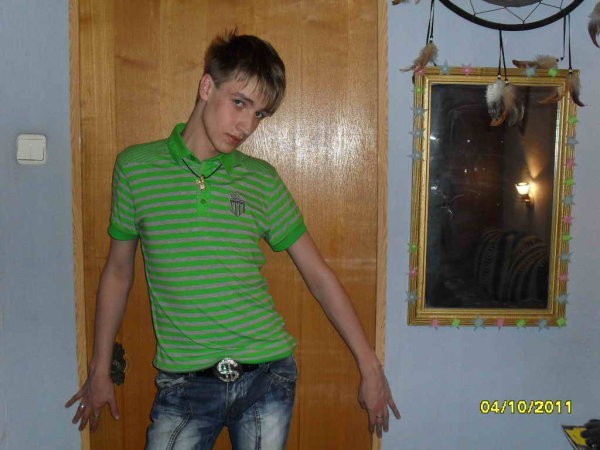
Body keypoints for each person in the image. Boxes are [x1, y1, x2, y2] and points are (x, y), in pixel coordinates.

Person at [65, 30, 399, 449]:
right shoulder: (136, 168)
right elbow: (118, 272)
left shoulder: (261, 179)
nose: (247, 126)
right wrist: (100, 368)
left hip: (267, 377)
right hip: (184, 384)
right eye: (239, 102)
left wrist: (370, 367)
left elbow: (318, 275)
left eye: (260, 114)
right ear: (207, 86)